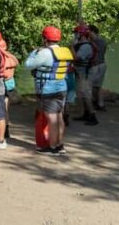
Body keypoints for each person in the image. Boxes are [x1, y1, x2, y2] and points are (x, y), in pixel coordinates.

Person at [25, 26, 73, 154]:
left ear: (45, 38)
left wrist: (34, 52)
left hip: (48, 88)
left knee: (51, 118)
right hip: (62, 86)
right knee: (59, 116)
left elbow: (28, 65)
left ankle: (52, 147)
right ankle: (60, 144)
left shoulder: (44, 53)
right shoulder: (66, 51)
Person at [72, 26, 99, 126]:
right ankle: (86, 114)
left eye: (76, 33)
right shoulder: (81, 45)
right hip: (80, 72)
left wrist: (71, 47)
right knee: (81, 94)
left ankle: (92, 116)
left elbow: (77, 57)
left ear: (81, 34)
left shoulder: (85, 46)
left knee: (85, 94)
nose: (75, 35)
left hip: (84, 73)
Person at [87, 25, 107, 111]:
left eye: (88, 32)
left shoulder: (94, 41)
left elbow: (94, 51)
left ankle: (90, 105)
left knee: (89, 86)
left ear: (92, 31)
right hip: (102, 64)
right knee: (98, 86)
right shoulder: (103, 40)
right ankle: (100, 104)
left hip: (95, 65)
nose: (87, 34)